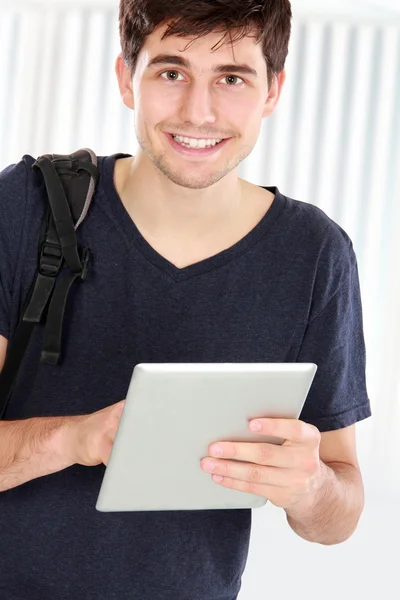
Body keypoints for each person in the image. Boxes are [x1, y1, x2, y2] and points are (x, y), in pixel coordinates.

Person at [0, 0, 371, 598]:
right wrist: (74, 439)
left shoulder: (315, 254)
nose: (199, 112)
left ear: (273, 90)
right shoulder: (28, 206)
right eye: (171, 72)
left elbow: (340, 514)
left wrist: (310, 487)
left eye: (231, 78)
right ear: (127, 77)